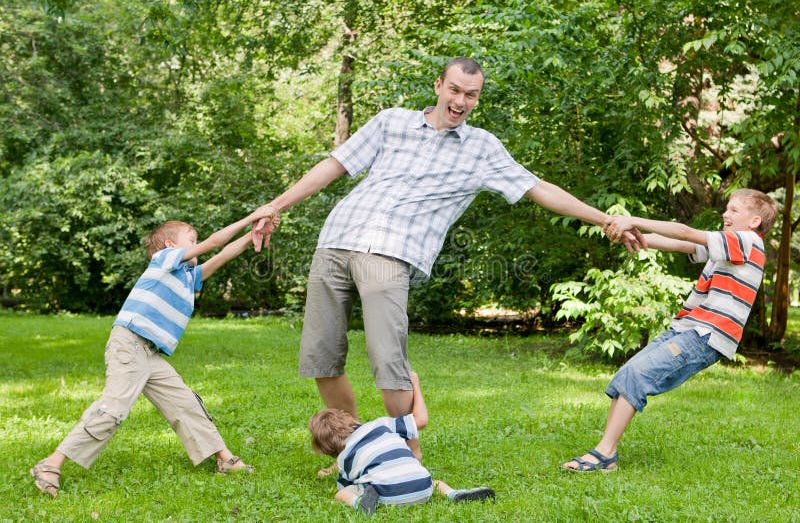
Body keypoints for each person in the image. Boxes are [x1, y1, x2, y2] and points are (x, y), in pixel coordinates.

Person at [250, 57, 641, 455]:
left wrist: (605, 219)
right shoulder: (391, 122)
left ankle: (406, 452)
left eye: (471, 95)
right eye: (454, 90)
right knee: (322, 356)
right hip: (336, 239)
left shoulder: (481, 149)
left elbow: (538, 188)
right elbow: (335, 165)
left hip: (390, 251)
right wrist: (275, 206)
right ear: (438, 86)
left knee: (388, 360)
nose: (461, 100)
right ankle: (352, 451)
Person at [30, 208, 280, 498]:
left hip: (152, 354)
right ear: (170, 245)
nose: (197, 242)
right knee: (113, 409)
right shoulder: (164, 261)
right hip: (131, 342)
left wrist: (254, 236)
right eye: (191, 238)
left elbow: (222, 255)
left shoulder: (188, 276)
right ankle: (51, 463)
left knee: (186, 403)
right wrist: (252, 217)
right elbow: (214, 243)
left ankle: (224, 459)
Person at [562, 188, 778, 472]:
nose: (725, 214)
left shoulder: (748, 241)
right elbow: (679, 244)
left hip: (705, 336)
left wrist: (633, 220)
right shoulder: (729, 246)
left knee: (638, 375)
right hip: (688, 329)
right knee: (628, 373)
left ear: (754, 222)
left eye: (734, 210)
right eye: (727, 208)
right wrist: (632, 235)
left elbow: (686, 232)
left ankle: (604, 455)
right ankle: (606, 451)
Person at [308, 371, 495, 515]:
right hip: (423, 487)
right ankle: (453, 494)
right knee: (435, 482)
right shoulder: (381, 425)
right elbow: (421, 419)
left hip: (386, 496)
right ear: (349, 419)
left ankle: (360, 504)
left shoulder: (343, 460)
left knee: (341, 493)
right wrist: (416, 384)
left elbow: (345, 486)